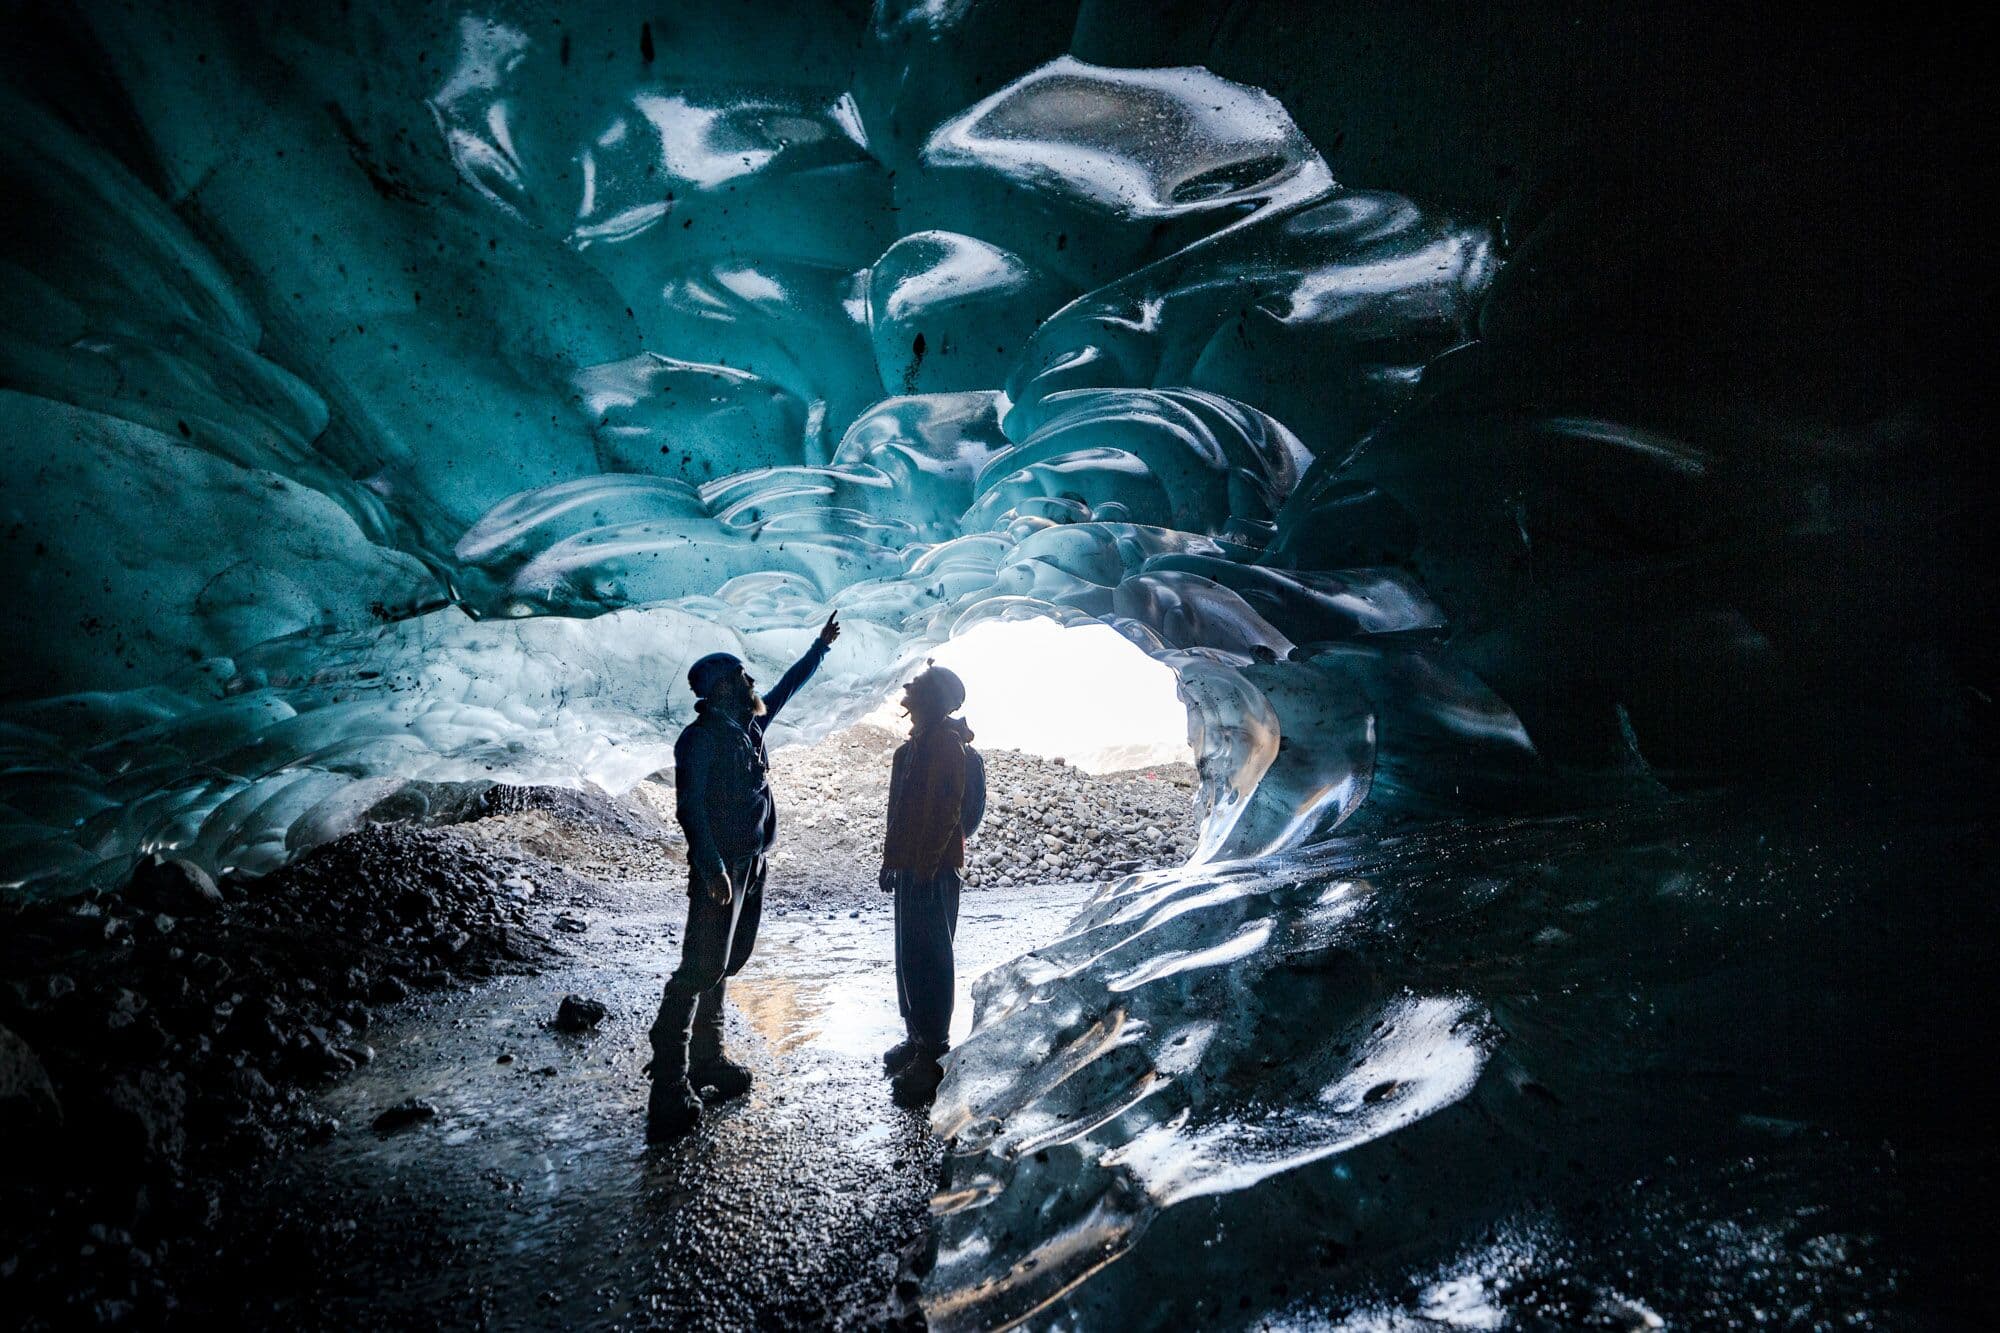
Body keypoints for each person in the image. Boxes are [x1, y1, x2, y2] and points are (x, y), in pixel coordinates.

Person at [645, 612, 840, 1142]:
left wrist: (819, 646)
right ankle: (669, 1085)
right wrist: (711, 869)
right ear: (726, 688)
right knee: (700, 965)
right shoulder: (700, 739)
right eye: (744, 677)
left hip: (750, 864)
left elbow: (787, 687)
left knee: (726, 962)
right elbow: (690, 810)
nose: (754, 684)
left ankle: (709, 1058)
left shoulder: (747, 726)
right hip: (722, 869)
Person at [879, 663, 984, 1108]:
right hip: (910, 867)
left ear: (938, 700)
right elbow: (897, 812)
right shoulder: (909, 752)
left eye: (918, 689)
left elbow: (955, 811)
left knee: (932, 958)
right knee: (909, 955)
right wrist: (892, 861)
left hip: (934, 869)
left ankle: (933, 1052)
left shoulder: (946, 745)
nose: (909, 692)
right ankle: (915, 1037)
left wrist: (927, 860)